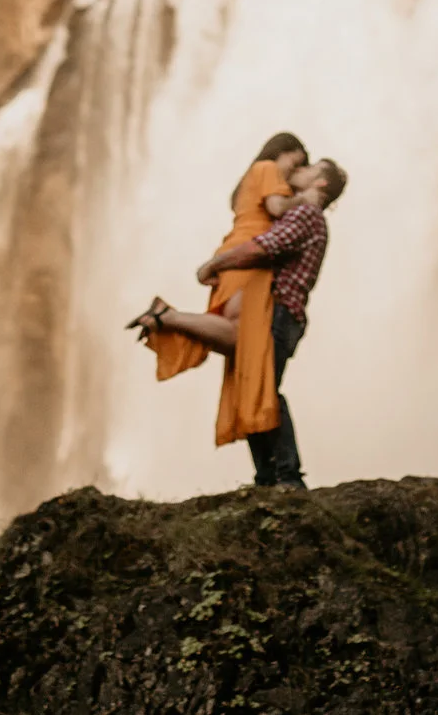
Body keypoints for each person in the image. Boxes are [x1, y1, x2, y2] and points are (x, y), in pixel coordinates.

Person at [136, 157, 345, 488]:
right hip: (278, 312)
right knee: (254, 387)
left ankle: (287, 477)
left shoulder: (306, 213)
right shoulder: (305, 213)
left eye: (309, 169)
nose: (298, 172)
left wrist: (216, 264)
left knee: (265, 389)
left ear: (320, 184)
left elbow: (265, 247)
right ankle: (267, 476)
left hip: (280, 311)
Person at [129, 133, 310, 448]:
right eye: (295, 163)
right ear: (283, 151)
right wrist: (308, 198)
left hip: (234, 257)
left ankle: (169, 319)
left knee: (243, 348)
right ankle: (168, 317)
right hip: (248, 258)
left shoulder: (249, 181)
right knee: (242, 337)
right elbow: (277, 207)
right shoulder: (267, 167)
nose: (293, 174)